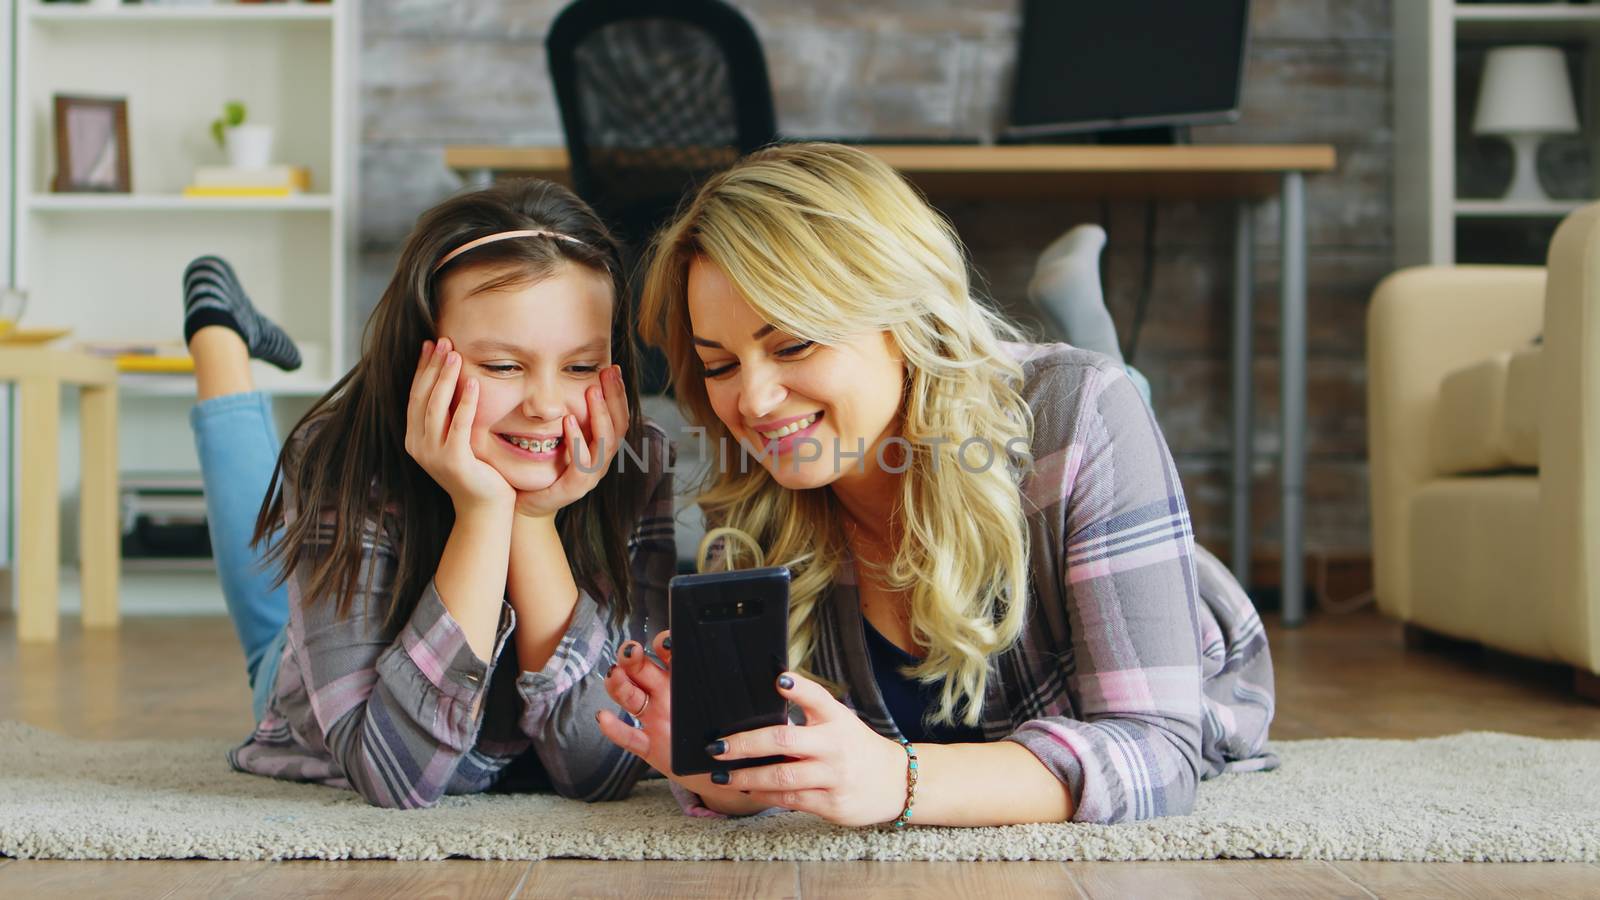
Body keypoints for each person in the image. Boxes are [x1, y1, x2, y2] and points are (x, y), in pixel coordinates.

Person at [596, 142, 1276, 826]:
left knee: (1106, 397)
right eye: (720, 365)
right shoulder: (758, 480)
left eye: (792, 344)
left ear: (903, 317)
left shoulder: (1081, 413)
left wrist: (900, 780)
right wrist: (723, 773)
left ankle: (1092, 332)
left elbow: (1158, 752)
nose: (755, 400)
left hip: (1118, 555)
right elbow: (786, 768)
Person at [183, 178, 675, 809]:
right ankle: (217, 331)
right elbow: (393, 777)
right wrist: (482, 512)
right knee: (268, 628)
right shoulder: (343, 461)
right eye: (502, 365)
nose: (547, 405)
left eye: (580, 366)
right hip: (315, 681)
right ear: (424, 359)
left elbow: (603, 768)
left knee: (273, 605)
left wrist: (531, 520)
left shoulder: (639, 460)